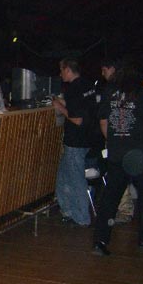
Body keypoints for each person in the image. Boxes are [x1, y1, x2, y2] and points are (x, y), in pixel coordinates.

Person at [92, 62, 143, 255]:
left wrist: (113, 142)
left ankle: (100, 241)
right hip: (141, 154)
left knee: (110, 198)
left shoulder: (109, 91)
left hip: (118, 154)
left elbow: (103, 122)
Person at [52, 58, 97, 227]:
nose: (60, 74)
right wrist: (61, 102)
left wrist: (60, 108)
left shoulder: (73, 88)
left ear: (68, 70)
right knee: (63, 178)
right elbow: (79, 106)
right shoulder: (87, 85)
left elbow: (77, 119)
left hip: (75, 142)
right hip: (88, 139)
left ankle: (81, 217)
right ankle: (69, 212)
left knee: (76, 179)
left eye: (61, 70)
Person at [98, 59, 134, 224]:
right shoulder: (132, 88)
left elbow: (103, 120)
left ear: (112, 69)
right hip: (130, 140)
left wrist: (110, 140)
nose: (103, 74)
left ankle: (124, 210)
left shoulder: (110, 90)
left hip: (119, 140)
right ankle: (124, 209)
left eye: (104, 70)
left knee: (118, 176)